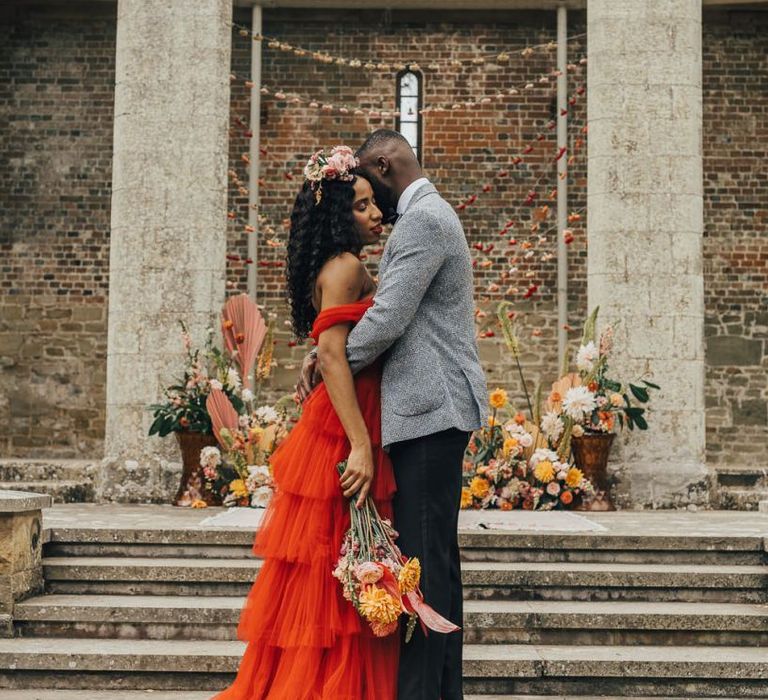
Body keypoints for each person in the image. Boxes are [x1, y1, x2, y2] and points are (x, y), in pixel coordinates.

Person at [299, 130, 488, 700]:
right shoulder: (428, 216)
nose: (373, 204)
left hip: (430, 413)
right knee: (436, 567)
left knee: (423, 574)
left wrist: (327, 361)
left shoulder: (423, 220)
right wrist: (325, 354)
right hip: (434, 411)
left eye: (368, 184)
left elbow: (388, 319)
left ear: (383, 164)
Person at [214, 145, 399, 699]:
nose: (375, 215)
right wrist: (362, 447)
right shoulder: (346, 267)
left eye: (374, 205)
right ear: (337, 215)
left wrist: (320, 355)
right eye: (362, 206)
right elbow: (337, 354)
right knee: (343, 560)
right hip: (349, 423)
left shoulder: (335, 266)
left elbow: (329, 347)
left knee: (334, 562)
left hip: (342, 417)